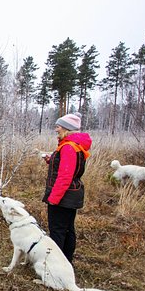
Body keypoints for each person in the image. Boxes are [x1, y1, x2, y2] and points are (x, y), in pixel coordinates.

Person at [42, 112, 91, 265]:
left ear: (66, 128)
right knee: (67, 229)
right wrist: (52, 160)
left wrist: (53, 199)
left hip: (64, 196)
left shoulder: (69, 147)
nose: (56, 130)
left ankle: (56, 265)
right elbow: (69, 167)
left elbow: (65, 176)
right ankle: (66, 263)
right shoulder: (73, 146)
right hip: (71, 194)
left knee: (58, 231)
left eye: (58, 127)